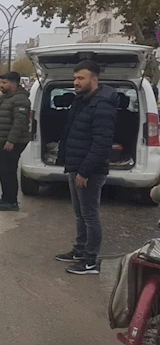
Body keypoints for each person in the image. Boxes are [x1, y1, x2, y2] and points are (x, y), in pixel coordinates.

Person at [55, 60, 118, 275]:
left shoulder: (102, 105)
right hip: (77, 165)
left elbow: (101, 143)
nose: (76, 82)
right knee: (80, 213)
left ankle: (91, 260)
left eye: (81, 78)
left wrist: (85, 171)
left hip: (89, 169)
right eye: (75, 78)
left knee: (90, 215)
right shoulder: (83, 100)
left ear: (94, 79)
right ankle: (80, 250)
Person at [0, 71, 31, 212]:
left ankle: (12, 202)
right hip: (4, 139)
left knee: (9, 170)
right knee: (1, 168)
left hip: (13, 141)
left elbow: (20, 123)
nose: (1, 85)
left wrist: (11, 141)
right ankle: (5, 198)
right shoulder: (6, 97)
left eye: (4, 82)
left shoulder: (20, 99)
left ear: (14, 83)